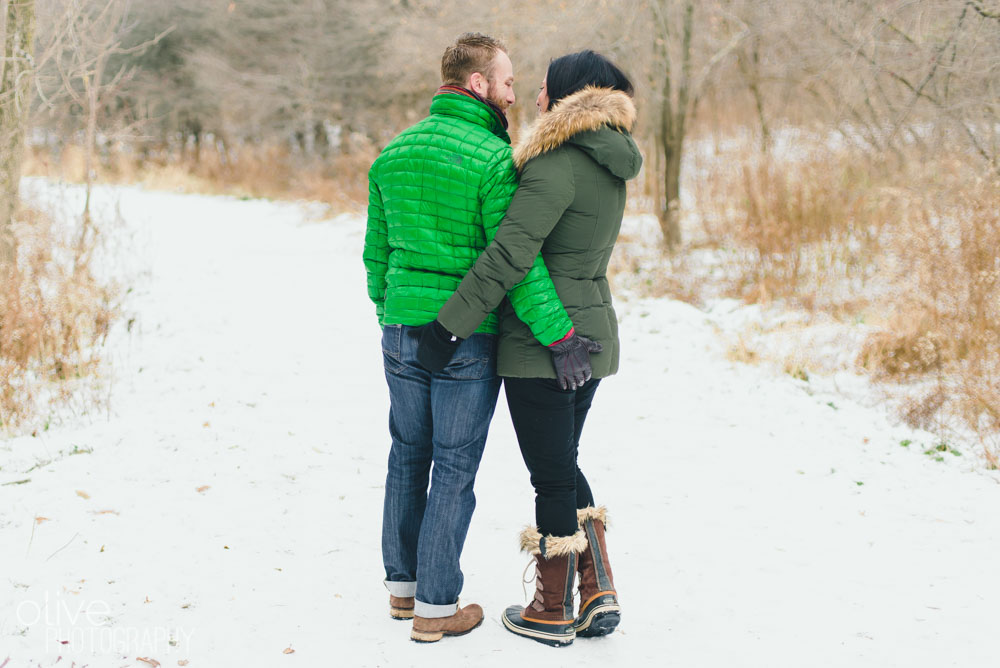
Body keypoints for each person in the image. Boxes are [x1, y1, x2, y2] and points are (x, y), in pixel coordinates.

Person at [418, 50, 642, 646]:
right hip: (592, 332)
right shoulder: (610, 157)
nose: (534, 98)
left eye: (544, 89)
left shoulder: (554, 164)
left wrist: (448, 326)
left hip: (545, 341)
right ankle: (596, 590)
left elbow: (510, 255)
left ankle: (551, 610)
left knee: (551, 475)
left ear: (566, 97)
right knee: (561, 462)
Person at [363, 33, 579, 643]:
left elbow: (375, 256)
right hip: (465, 336)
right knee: (453, 467)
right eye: (509, 83)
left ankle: (402, 591)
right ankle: (436, 608)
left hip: (400, 329)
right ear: (480, 84)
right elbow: (515, 262)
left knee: (407, 453)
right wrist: (558, 333)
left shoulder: (392, 154)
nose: (515, 94)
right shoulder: (490, 159)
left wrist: (391, 308)